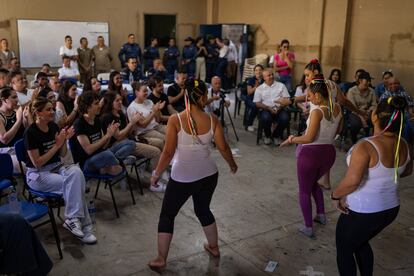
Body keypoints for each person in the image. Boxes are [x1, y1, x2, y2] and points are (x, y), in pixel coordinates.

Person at [148, 78, 238, 270]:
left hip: (183, 177)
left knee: (167, 215)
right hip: (208, 175)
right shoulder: (212, 119)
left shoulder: (176, 119)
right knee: (203, 209)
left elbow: (168, 152)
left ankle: (161, 258)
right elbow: (223, 147)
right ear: (204, 97)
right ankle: (214, 247)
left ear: (186, 96)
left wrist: (156, 173)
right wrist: (232, 164)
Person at [332, 96, 412, 276]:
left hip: (364, 210)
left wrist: (335, 196)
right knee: (359, 242)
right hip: (390, 209)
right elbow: (406, 171)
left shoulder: (366, 146)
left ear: (375, 117)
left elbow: (351, 182)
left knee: (344, 249)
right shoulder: (404, 144)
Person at [25, 97, 97, 243]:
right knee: (75, 184)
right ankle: (85, 227)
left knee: (77, 173)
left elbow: (63, 154)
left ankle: (72, 219)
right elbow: (37, 163)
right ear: (38, 113)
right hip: (37, 175)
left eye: (52, 109)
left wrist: (64, 140)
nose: (52, 112)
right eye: (48, 109)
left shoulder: (53, 127)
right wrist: (57, 145)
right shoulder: (30, 133)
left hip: (56, 168)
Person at [280, 74, 343, 238]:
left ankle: (308, 226)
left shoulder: (317, 112)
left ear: (319, 95)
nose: (308, 98)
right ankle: (321, 215)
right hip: (328, 153)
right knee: (314, 183)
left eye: (310, 95)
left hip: (311, 154)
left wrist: (291, 139)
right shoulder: (337, 108)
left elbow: (309, 138)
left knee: (304, 191)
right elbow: (338, 130)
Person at [100, 92, 163, 190]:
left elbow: (129, 131)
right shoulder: (108, 117)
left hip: (129, 140)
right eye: (117, 100)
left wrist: (134, 123)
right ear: (110, 103)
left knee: (159, 142)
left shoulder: (120, 113)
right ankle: (154, 183)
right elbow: (119, 137)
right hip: (119, 146)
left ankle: (160, 172)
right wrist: (132, 122)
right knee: (156, 152)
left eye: (121, 99)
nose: (120, 102)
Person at [71, 91, 125, 176]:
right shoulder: (79, 124)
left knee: (128, 143)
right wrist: (107, 135)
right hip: (86, 162)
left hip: (101, 154)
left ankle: (108, 167)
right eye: (96, 103)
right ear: (87, 107)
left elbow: (104, 146)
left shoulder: (97, 120)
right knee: (108, 155)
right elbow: (89, 150)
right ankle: (119, 162)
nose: (100, 106)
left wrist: (109, 135)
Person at [254, 68, 291, 145]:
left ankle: (275, 135)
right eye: (268, 75)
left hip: (280, 108)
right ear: (264, 78)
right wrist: (268, 108)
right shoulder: (259, 89)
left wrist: (279, 107)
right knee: (265, 118)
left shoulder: (281, 86)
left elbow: (287, 99)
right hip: (266, 109)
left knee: (285, 118)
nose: (271, 76)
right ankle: (267, 135)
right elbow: (257, 103)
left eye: (272, 74)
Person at [127, 82, 165, 152]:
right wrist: (153, 112)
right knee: (165, 139)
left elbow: (158, 120)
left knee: (173, 131)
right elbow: (143, 125)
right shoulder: (132, 107)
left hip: (155, 126)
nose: (146, 93)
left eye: (147, 91)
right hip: (144, 132)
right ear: (137, 92)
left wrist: (158, 110)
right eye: (144, 91)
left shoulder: (149, 101)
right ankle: (168, 160)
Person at [380, 77, 414, 143]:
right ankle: (405, 143)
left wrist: (411, 114)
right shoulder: (385, 96)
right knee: (406, 127)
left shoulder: (404, 94)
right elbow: (384, 111)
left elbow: (410, 106)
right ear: (387, 85)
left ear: (399, 84)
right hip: (392, 117)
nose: (393, 85)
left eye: (396, 83)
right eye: (391, 84)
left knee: (409, 123)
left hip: (405, 115)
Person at [347, 71, 377, 144]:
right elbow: (352, 107)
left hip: (368, 112)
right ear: (360, 81)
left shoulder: (372, 91)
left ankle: (371, 141)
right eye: (367, 80)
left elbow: (374, 104)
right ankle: (353, 140)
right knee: (355, 124)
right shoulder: (352, 91)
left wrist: (368, 112)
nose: (369, 83)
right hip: (355, 113)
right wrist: (362, 117)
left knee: (375, 121)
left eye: (369, 81)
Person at [0, 88, 25, 173]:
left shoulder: (16, 112)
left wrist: (26, 118)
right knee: (29, 166)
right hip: (7, 153)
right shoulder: (1, 117)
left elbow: (29, 133)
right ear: (4, 99)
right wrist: (18, 121)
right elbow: (4, 140)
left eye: (17, 97)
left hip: (23, 149)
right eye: (14, 97)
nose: (17, 100)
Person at [245, 64, 264, 132]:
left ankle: (264, 125)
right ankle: (249, 124)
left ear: (262, 71)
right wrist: (256, 87)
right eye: (256, 70)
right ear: (254, 72)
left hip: (261, 99)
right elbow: (249, 92)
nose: (258, 72)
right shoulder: (251, 79)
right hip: (250, 98)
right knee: (255, 106)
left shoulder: (264, 79)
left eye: (260, 70)